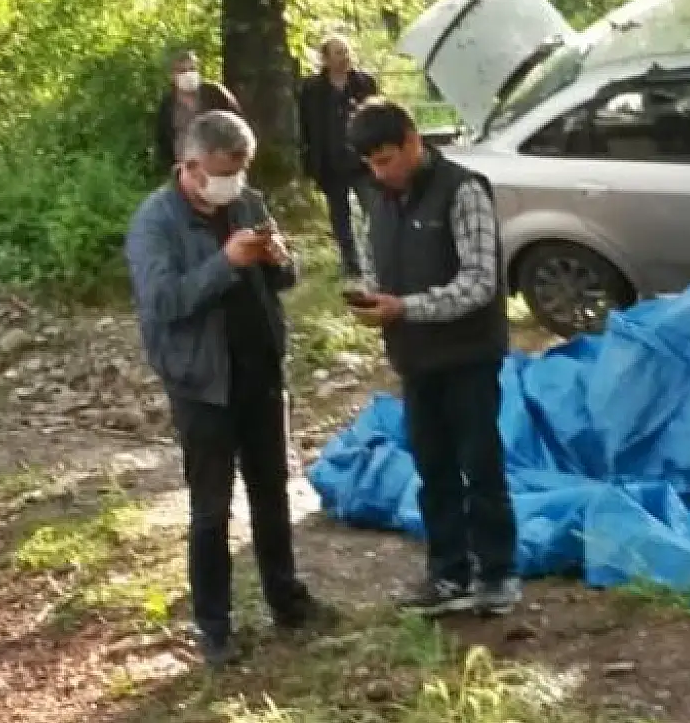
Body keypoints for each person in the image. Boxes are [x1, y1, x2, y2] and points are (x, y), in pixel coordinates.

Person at [125, 109, 333, 665]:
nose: (233, 182)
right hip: (202, 384)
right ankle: (214, 627)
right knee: (211, 509)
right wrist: (225, 262)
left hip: (261, 373)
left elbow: (284, 278)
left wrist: (281, 259)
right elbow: (164, 303)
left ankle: (287, 600)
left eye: (241, 170)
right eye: (223, 171)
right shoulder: (155, 223)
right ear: (190, 167)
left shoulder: (246, 201)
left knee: (272, 495)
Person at [345, 97, 519, 617]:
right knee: (433, 469)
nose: (382, 172)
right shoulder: (370, 198)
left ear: (414, 141)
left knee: (481, 466)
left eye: (388, 159)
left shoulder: (463, 190)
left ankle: (498, 573)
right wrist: (370, 298)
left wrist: (406, 307)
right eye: (372, 163)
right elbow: (371, 264)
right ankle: (448, 575)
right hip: (414, 358)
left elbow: (480, 284)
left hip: (468, 355)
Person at [296, 34, 378, 279]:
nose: (344, 57)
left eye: (346, 51)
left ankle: (376, 257)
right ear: (325, 59)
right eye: (338, 53)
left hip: (363, 161)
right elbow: (306, 126)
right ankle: (350, 262)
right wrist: (309, 159)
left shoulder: (364, 83)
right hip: (330, 163)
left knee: (373, 211)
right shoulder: (311, 89)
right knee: (339, 215)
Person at [154, 47, 240, 173]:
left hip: (218, 166)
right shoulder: (167, 105)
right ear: (172, 76)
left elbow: (238, 125)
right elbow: (163, 141)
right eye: (182, 71)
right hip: (184, 170)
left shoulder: (216, 94)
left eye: (192, 69)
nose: (188, 74)